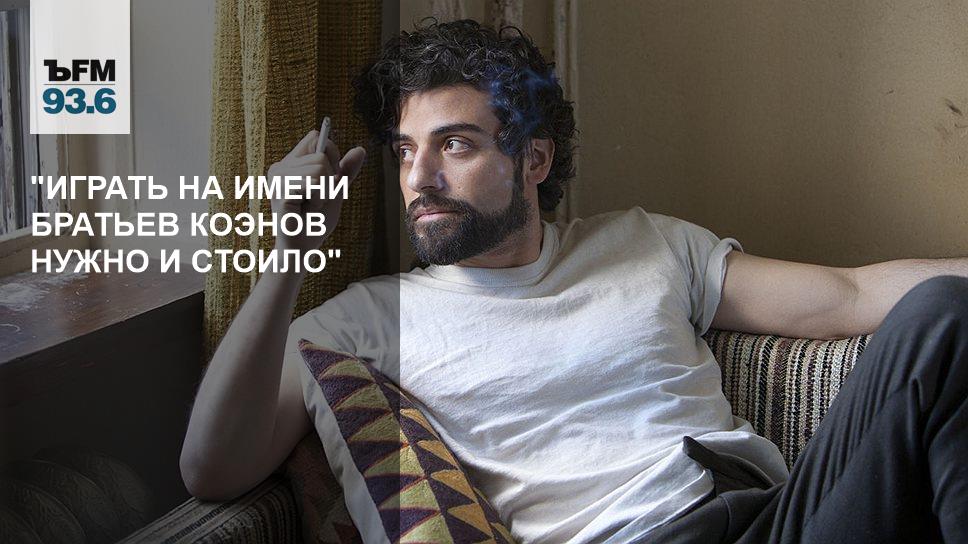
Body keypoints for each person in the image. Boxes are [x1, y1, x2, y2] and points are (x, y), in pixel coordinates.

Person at [180, 19, 968, 543]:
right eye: (405, 151)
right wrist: (289, 252)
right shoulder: (368, 319)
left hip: (778, 519)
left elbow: (850, 296)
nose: (418, 177)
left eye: (454, 145)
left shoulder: (647, 243)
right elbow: (211, 468)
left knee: (942, 314)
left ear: (533, 158)